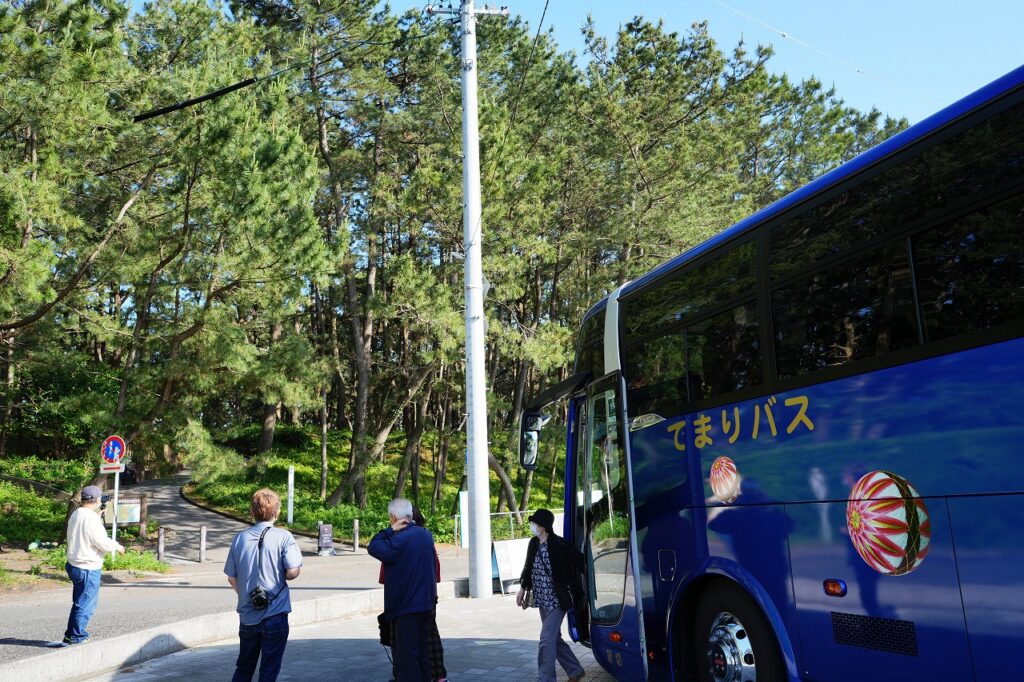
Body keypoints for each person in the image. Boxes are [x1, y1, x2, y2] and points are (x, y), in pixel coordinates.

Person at [224, 489, 303, 682]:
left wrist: (246, 595)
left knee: (243, 668)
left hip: (248, 616)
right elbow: (293, 571)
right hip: (275, 613)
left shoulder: (239, 538)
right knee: (269, 670)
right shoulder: (284, 537)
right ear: (277, 513)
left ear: (252, 512)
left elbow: (231, 578)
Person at [368, 498, 438, 682]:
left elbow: (373, 546)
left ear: (393, 517)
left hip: (406, 608)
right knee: (422, 655)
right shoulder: (425, 534)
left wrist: (390, 530)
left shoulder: (398, 539)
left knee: (406, 660)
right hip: (425, 605)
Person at [516, 508, 585, 682]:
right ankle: (575, 670)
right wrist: (522, 589)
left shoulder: (559, 544)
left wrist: (588, 587)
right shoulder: (533, 543)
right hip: (541, 598)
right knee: (554, 638)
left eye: (535, 523)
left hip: (557, 599)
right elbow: (528, 568)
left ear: (543, 526)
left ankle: (545, 679)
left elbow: (580, 560)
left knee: (546, 639)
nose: (533, 525)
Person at [62, 485, 125, 646]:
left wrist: (97, 516)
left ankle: (71, 635)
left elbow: (85, 530)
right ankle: (76, 637)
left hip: (74, 564)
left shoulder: (77, 513)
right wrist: (117, 547)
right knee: (85, 604)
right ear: (96, 500)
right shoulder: (91, 519)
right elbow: (101, 542)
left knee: (79, 602)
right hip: (87, 567)